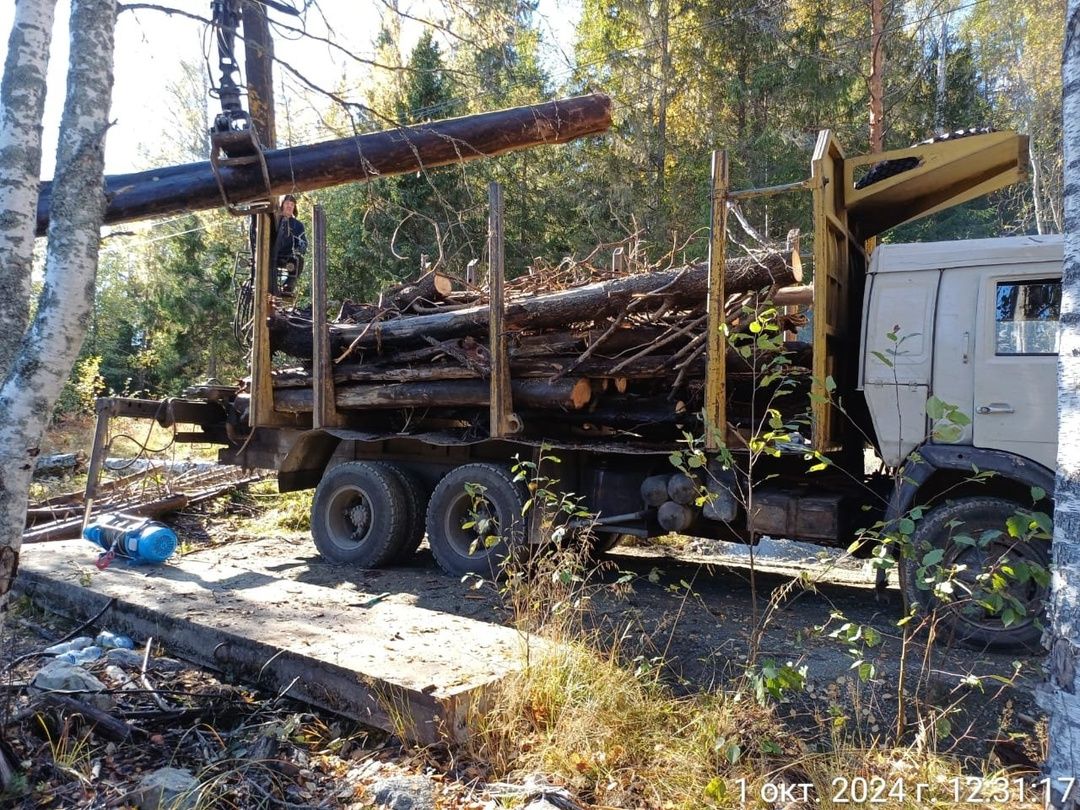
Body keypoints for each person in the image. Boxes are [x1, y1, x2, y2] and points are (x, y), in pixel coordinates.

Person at [273, 194, 307, 296]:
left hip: (287, 256)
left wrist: (301, 247)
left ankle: (288, 286)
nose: (289, 206)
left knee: (299, 260)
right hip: (270, 254)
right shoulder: (273, 220)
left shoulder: (298, 225)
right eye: (287, 203)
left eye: (292, 204)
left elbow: (303, 242)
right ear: (282, 205)